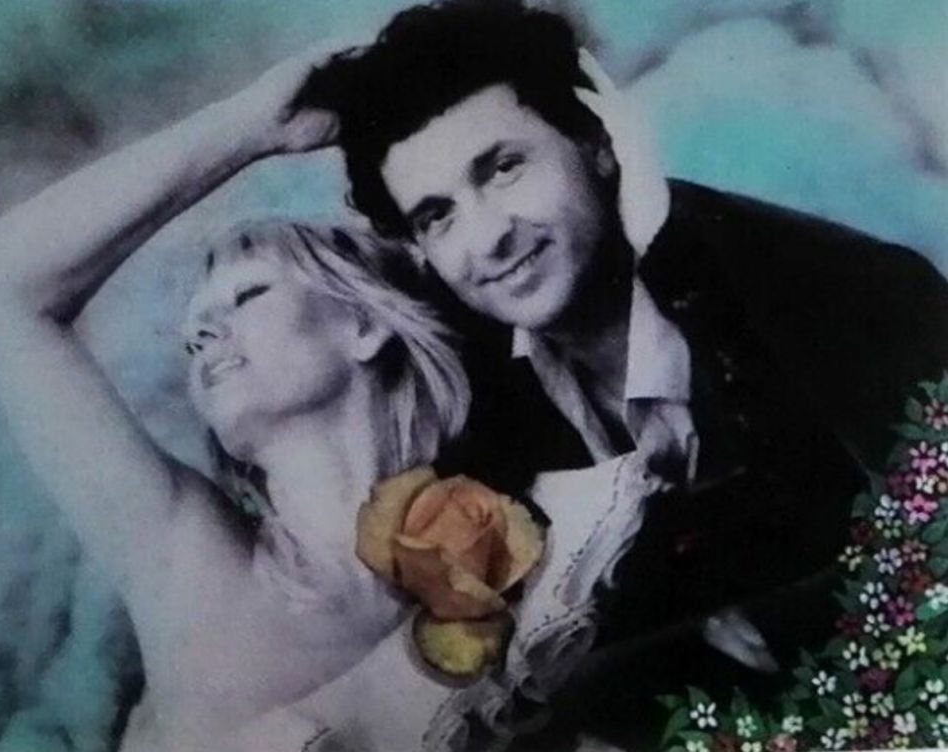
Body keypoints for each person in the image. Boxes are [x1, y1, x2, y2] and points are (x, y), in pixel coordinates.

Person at [293, 0, 948, 746]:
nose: (488, 238)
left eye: (504, 168)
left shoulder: (836, 291)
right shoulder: (474, 388)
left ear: (597, 143)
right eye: (437, 216)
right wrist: (245, 129)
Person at [0, 46, 474, 751]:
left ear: (365, 325)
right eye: (194, 331)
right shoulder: (185, 552)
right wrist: (249, 127)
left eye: (247, 294)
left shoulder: (505, 569)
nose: (201, 333)